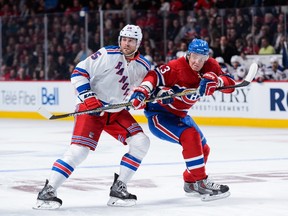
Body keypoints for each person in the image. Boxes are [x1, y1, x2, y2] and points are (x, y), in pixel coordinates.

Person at [34, 24, 151, 209]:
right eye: (124, 39)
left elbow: (140, 90)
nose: (126, 43)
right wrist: (89, 97)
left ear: (138, 43)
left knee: (141, 142)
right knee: (79, 151)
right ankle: (48, 191)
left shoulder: (143, 65)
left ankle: (119, 187)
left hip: (115, 111)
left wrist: (140, 98)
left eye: (131, 40)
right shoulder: (108, 54)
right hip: (91, 109)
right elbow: (79, 73)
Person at [129, 38, 235, 201]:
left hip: (181, 115)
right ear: (188, 54)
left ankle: (191, 181)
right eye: (194, 57)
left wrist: (217, 81)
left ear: (207, 58)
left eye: (202, 58)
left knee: (204, 149)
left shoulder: (211, 66)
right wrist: (145, 91)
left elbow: (231, 84)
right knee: (190, 135)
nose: (197, 62)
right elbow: (153, 76)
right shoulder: (175, 67)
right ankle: (201, 182)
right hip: (160, 115)